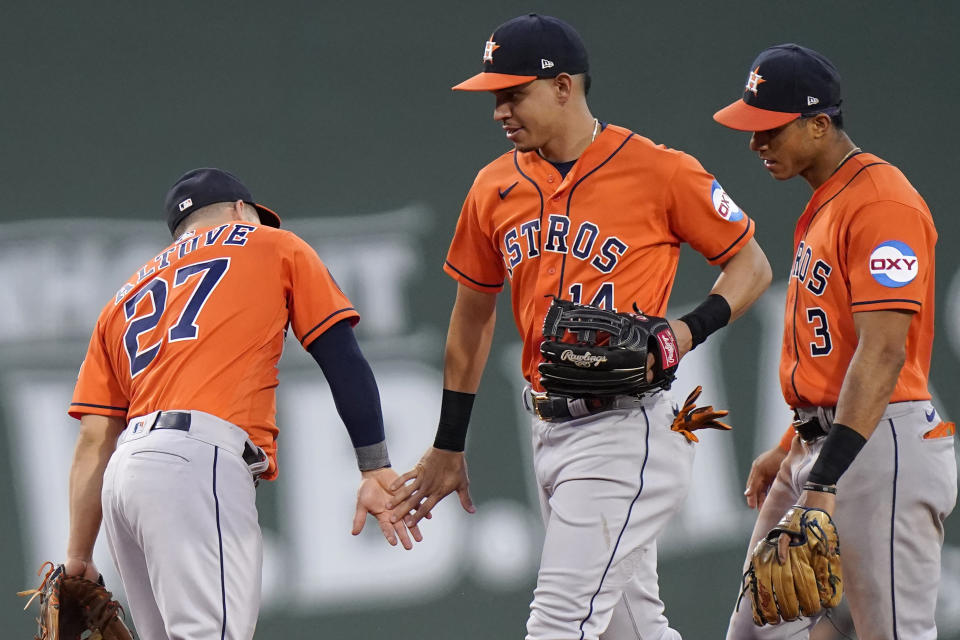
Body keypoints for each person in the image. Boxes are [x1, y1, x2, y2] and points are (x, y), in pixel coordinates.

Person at [388, 14, 772, 640]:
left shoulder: (660, 170)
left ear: (563, 86)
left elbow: (750, 264)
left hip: (626, 427)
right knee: (634, 627)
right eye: (494, 97)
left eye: (513, 93)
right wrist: (449, 441)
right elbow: (472, 316)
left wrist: (685, 331)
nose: (499, 111)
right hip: (549, 427)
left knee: (557, 626)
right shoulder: (493, 187)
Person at [65, 168, 421, 640]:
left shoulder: (120, 300)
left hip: (123, 479)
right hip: (193, 461)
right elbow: (341, 356)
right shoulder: (273, 244)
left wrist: (78, 558)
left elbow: (94, 438)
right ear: (239, 210)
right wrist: (374, 465)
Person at [714, 44, 958, 639]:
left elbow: (882, 353)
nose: (756, 144)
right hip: (824, 443)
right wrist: (790, 443)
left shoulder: (882, 203)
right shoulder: (829, 202)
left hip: (882, 446)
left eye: (770, 129)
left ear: (820, 124)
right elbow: (837, 357)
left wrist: (824, 477)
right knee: (756, 631)